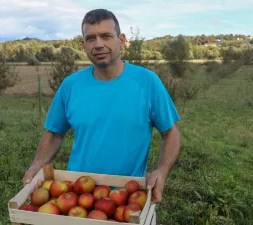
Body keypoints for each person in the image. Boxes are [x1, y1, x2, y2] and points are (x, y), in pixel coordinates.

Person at [22, 8, 181, 206]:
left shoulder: (147, 82)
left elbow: (170, 132)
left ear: (121, 40)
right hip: (77, 197)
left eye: (106, 36)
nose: (98, 44)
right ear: (83, 45)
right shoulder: (71, 85)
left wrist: (162, 171)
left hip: (128, 198)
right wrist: (37, 164)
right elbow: (54, 133)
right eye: (91, 38)